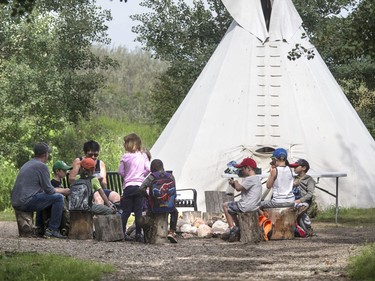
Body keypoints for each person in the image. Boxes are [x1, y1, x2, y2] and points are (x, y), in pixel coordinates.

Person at [11, 142, 70, 239]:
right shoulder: (42, 166)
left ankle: (39, 228)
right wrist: (64, 191)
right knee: (58, 198)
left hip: (16, 201)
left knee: (43, 198)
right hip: (25, 201)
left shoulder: (28, 164)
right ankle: (52, 229)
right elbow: (49, 190)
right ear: (46, 154)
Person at [118, 133, 150, 242]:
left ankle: (121, 232)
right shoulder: (143, 156)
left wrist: (127, 176)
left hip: (128, 187)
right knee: (138, 211)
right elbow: (148, 169)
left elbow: (120, 172)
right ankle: (138, 234)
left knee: (126, 211)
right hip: (140, 187)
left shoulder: (125, 156)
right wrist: (142, 175)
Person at [222, 157, 262, 242]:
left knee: (225, 205)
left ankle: (232, 227)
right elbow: (240, 188)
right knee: (232, 209)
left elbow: (238, 188)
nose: (241, 171)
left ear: (248, 168)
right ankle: (238, 226)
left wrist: (235, 182)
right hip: (254, 207)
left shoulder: (250, 179)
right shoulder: (256, 179)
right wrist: (233, 184)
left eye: (242, 169)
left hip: (245, 206)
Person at [69, 140, 120, 205]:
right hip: (84, 190)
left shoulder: (100, 163)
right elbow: (71, 179)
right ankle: (99, 214)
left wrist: (100, 181)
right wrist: (88, 180)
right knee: (98, 198)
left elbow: (104, 183)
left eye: (95, 155)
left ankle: (117, 212)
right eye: (90, 155)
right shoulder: (79, 161)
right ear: (85, 153)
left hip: (99, 189)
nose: (93, 157)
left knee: (115, 196)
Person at [140, 159, 179, 243]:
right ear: (162, 167)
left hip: (155, 207)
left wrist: (147, 197)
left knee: (147, 214)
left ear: (152, 168)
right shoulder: (170, 176)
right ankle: (172, 232)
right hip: (169, 206)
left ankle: (148, 236)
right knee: (175, 212)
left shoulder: (152, 176)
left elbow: (141, 188)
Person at [290, 159, 316, 236]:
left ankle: (307, 229)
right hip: (294, 200)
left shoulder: (309, 180)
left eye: (296, 167)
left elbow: (310, 194)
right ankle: (297, 230)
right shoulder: (294, 178)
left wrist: (300, 200)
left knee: (300, 213)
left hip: (304, 201)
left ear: (304, 168)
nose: (294, 168)